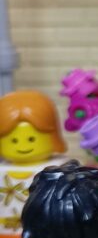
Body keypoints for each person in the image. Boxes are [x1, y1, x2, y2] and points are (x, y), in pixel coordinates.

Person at [0, 91, 66, 230]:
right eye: (14, 140)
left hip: (47, 232)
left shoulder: (59, 168)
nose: (22, 146)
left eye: (31, 139)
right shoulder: (3, 169)